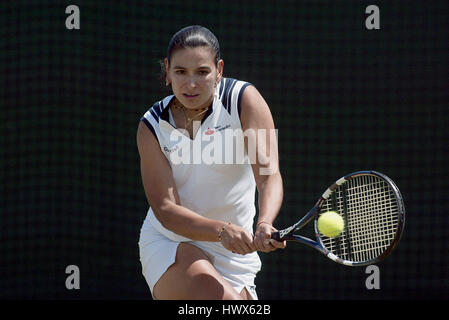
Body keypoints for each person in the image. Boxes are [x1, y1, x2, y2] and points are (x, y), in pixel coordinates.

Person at [137, 25, 285, 300]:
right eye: (181, 72)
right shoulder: (151, 126)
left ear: (219, 70)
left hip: (236, 255)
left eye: (202, 72)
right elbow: (166, 210)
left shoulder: (243, 101)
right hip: (172, 241)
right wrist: (223, 230)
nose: (191, 84)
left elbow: (267, 175)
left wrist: (265, 222)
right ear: (167, 70)